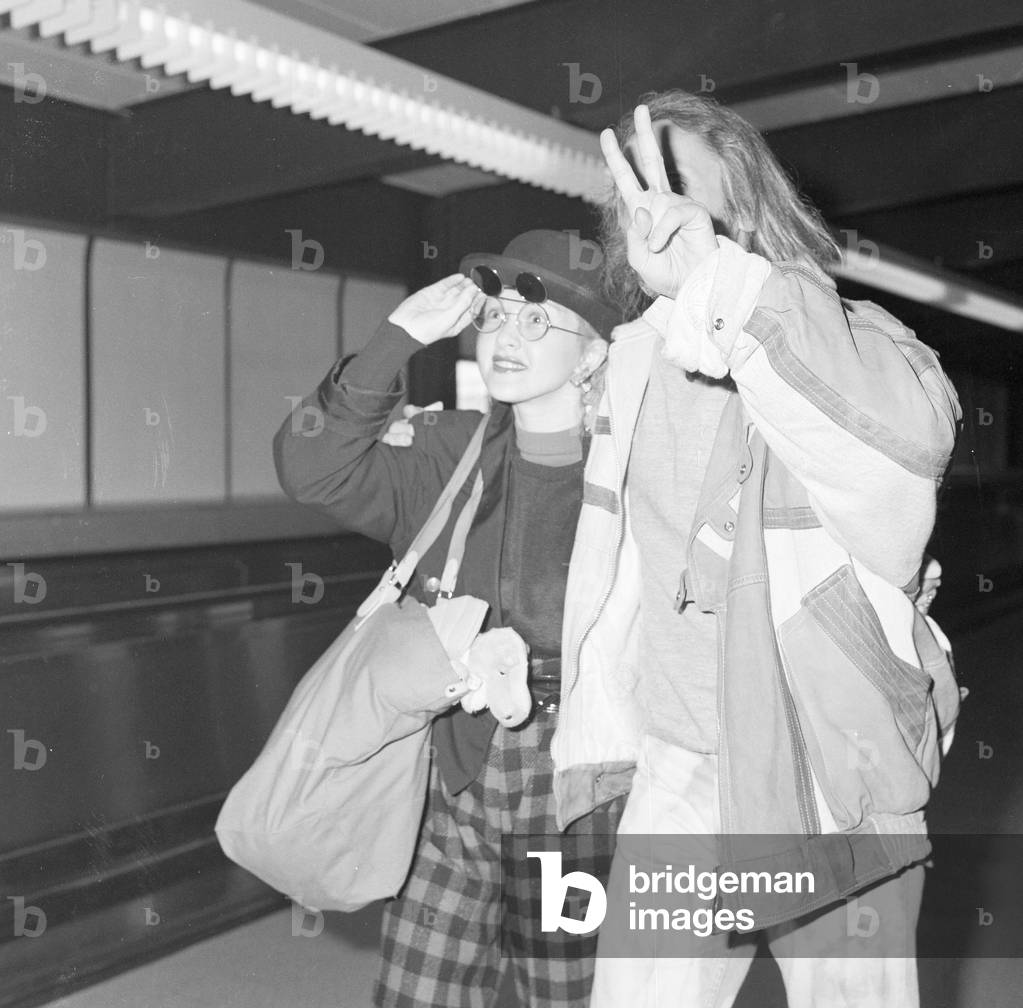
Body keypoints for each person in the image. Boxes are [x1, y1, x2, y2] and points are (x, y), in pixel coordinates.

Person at [546, 93, 963, 1007]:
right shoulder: (628, 361)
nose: (652, 204)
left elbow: (896, 464)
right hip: (678, 758)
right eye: (634, 188)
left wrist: (720, 287)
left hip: (820, 765)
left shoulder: (854, 342)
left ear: (745, 203)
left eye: (677, 181)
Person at [273, 229, 625, 1008]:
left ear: (594, 354)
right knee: (417, 991)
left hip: (582, 780)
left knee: (567, 992)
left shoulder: (634, 473)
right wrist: (395, 338)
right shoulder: (449, 452)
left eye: (535, 320)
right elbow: (310, 468)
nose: (505, 336)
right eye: (494, 317)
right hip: (454, 762)